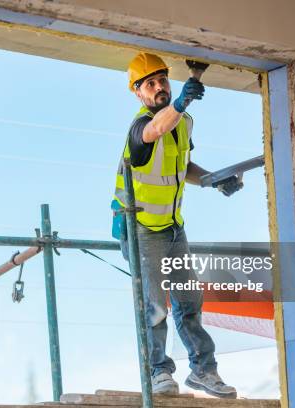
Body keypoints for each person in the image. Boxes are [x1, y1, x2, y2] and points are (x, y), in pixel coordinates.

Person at [112, 53, 242, 399]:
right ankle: (158, 374)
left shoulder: (184, 123)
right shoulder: (140, 127)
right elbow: (156, 129)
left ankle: (204, 371)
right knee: (154, 307)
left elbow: (183, 166)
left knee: (188, 301)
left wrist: (215, 181)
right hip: (142, 228)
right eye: (149, 84)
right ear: (138, 93)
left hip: (173, 228)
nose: (159, 88)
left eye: (162, 81)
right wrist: (182, 102)